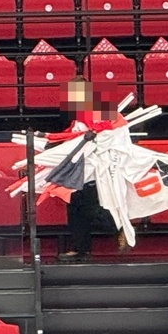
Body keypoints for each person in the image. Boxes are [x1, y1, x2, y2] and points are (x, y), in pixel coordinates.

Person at [51, 79, 127, 261]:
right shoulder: (79, 114)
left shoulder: (102, 107)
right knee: (74, 207)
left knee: (89, 208)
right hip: (78, 167)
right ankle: (80, 249)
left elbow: (111, 131)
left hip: (96, 168)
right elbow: (72, 134)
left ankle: (121, 227)